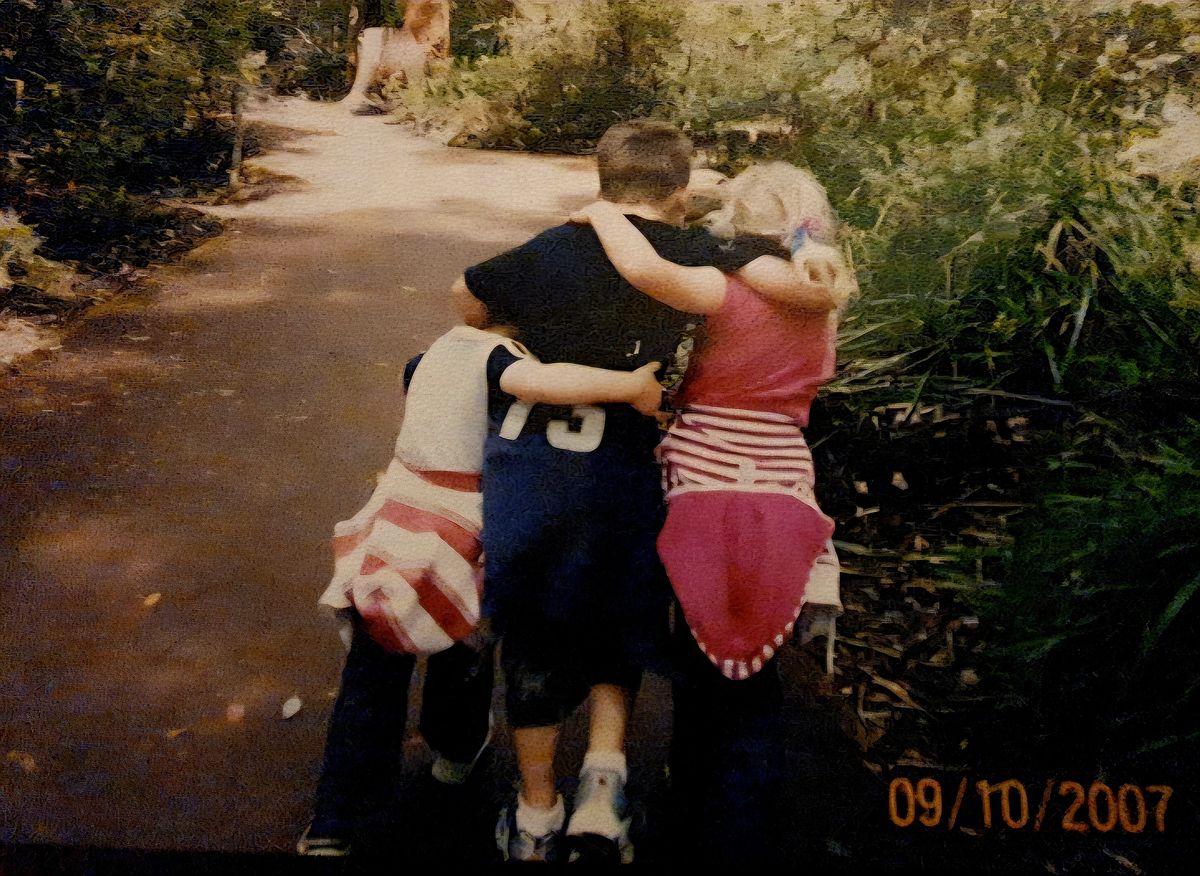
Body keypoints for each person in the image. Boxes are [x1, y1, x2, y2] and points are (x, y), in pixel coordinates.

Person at [452, 119, 786, 864]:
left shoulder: (550, 248)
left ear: (601, 179)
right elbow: (767, 268)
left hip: (535, 474)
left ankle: (535, 813)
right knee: (620, 620)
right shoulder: (692, 253)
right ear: (680, 190)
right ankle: (603, 793)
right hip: (626, 471)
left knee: (534, 637)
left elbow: (465, 301)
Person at [570, 160, 856, 866]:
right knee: (754, 682)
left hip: (702, 480)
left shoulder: (721, 287)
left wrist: (603, 213)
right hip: (783, 487)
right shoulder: (826, 295)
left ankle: (688, 797)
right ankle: (741, 825)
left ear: (737, 224)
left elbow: (643, 270)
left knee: (699, 653)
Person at [298, 323, 663, 857]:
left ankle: (338, 816)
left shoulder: (425, 358)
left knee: (374, 666)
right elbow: (542, 383)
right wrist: (629, 386)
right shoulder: (500, 361)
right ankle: (457, 750)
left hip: (400, 517)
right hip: (458, 525)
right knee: (462, 643)